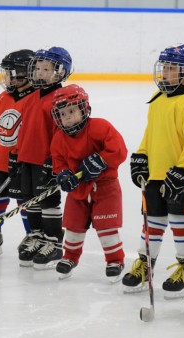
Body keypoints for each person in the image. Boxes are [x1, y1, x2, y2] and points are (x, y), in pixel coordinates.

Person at [123, 43, 184, 297]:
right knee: (152, 221)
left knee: (181, 220)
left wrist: (183, 170)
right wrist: (141, 155)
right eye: (164, 67)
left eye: (172, 68)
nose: (165, 73)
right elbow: (151, 134)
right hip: (155, 174)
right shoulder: (157, 100)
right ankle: (146, 263)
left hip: (180, 177)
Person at [49, 84, 128, 281]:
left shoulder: (100, 127)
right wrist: (63, 175)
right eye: (63, 113)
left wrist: (101, 160)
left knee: (106, 227)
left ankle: (115, 260)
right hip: (78, 191)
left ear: (84, 108)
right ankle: (70, 257)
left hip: (105, 187)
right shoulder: (59, 138)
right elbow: (58, 162)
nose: (67, 117)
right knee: (74, 227)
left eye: (71, 111)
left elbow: (119, 150)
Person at [13, 47, 73, 269]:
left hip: (47, 161)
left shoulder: (61, 98)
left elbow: (62, 134)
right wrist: (16, 155)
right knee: (30, 200)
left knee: (48, 201)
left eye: (46, 69)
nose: (40, 72)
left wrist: (55, 162)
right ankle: (36, 236)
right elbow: (25, 129)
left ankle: (54, 242)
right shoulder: (31, 97)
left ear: (60, 72)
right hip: (27, 158)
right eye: (37, 68)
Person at [0, 49, 35, 257]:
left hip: (22, 160)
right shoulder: (3, 97)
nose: (9, 78)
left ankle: (31, 235)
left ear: (28, 73)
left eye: (14, 72)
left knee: (23, 200)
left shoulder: (35, 99)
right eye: (7, 72)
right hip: (0, 158)